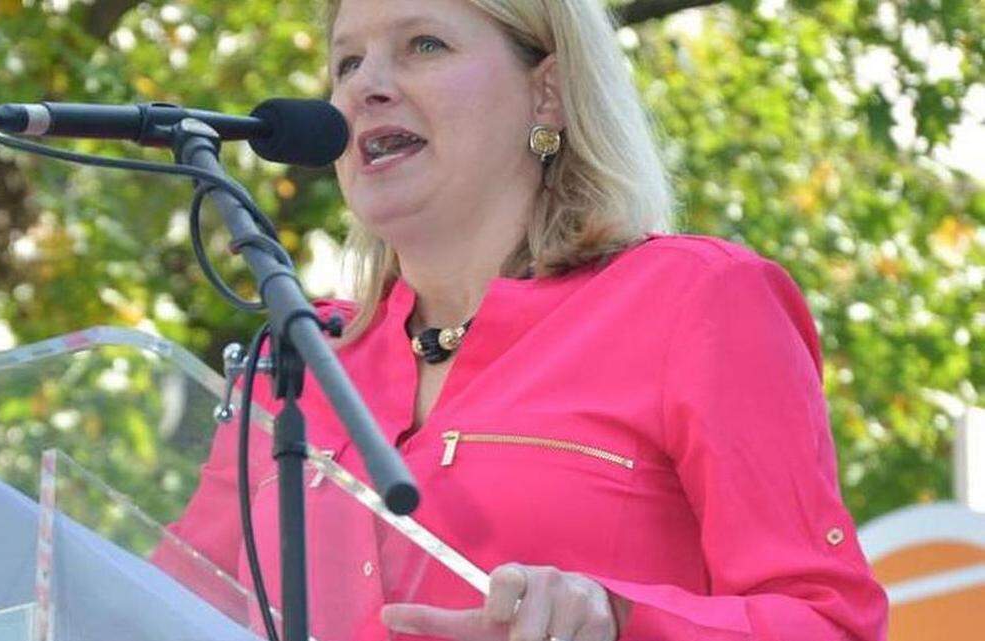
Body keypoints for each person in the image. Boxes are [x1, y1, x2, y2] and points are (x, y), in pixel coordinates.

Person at [165, 0, 889, 639]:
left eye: (424, 44)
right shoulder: (296, 359)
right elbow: (159, 601)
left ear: (546, 93)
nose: (365, 86)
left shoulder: (697, 300)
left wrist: (616, 615)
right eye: (347, 61)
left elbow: (829, 621)